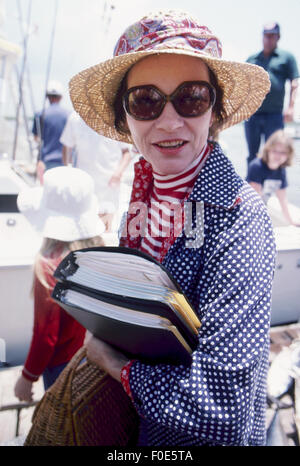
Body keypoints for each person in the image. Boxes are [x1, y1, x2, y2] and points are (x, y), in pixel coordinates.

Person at [69, 10, 276, 446]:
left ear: (214, 111)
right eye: (145, 100)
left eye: (191, 98)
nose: (167, 121)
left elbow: (224, 410)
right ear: (124, 117)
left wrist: (116, 366)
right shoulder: (142, 198)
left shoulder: (239, 218)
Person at [14, 166, 105, 402]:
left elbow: (46, 337)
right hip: (93, 359)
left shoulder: (49, 266)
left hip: (60, 367)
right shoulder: (98, 254)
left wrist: (27, 377)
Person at [60, 111, 133, 232]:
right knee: (83, 227)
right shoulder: (75, 118)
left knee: (105, 228)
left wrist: (118, 174)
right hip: (83, 183)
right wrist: (68, 171)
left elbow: (127, 153)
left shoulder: (115, 119)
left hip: (109, 184)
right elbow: (67, 146)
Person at [245, 22, 299, 169]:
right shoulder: (252, 59)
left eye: (272, 36)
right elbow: (244, 85)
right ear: (262, 37)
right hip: (253, 115)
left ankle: (272, 187)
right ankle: (250, 186)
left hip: (274, 116)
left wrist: (291, 108)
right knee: (252, 153)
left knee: (275, 153)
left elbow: (295, 82)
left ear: (278, 37)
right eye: (266, 36)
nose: (268, 39)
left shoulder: (287, 58)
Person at [246, 129, 300, 226]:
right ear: (268, 150)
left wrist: (291, 222)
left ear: (289, 154)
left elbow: (282, 199)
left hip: (261, 208)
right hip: (248, 209)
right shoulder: (256, 166)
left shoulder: (281, 170)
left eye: (283, 152)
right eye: (275, 151)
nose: (278, 155)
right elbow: (255, 199)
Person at [32, 80, 69, 184]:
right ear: (61, 97)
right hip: (64, 162)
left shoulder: (39, 114)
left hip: (45, 161)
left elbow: (36, 138)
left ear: (47, 97)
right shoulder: (69, 115)